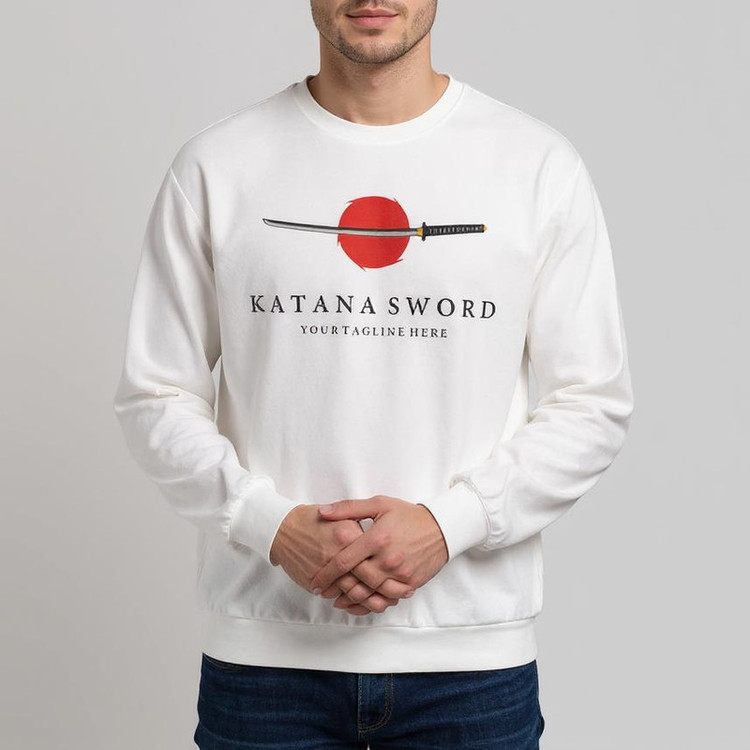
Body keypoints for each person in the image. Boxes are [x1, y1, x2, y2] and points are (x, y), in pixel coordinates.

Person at [112, 1, 634, 747]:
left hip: (469, 667)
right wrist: (271, 526)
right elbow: (155, 394)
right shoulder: (217, 167)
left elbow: (592, 402)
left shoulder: (536, 166)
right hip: (265, 664)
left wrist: (447, 526)